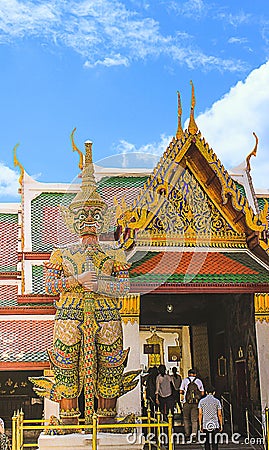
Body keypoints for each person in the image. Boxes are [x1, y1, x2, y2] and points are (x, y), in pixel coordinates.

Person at [30, 140, 140, 426]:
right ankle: (67, 420)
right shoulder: (61, 253)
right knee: (66, 365)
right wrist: (77, 279)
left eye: (95, 215)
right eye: (83, 214)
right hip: (69, 313)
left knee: (111, 365)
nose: (89, 220)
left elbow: (124, 287)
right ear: (73, 219)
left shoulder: (114, 252)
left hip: (106, 313)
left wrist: (100, 283)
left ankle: (106, 420)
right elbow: (50, 287)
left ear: (103, 219)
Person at [180, 368, 204, 441]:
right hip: (196, 403)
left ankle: (187, 434)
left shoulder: (185, 381)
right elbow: (202, 392)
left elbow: (181, 391)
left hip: (186, 402)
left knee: (186, 419)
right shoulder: (198, 381)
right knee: (194, 420)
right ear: (195, 374)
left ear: (188, 374)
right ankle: (194, 435)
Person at [198, 385, 223, 450]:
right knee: (215, 444)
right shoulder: (217, 401)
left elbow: (200, 414)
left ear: (206, 392)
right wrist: (221, 424)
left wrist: (200, 425)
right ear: (214, 392)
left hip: (206, 425)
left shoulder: (201, 401)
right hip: (215, 424)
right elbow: (219, 414)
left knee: (207, 443)